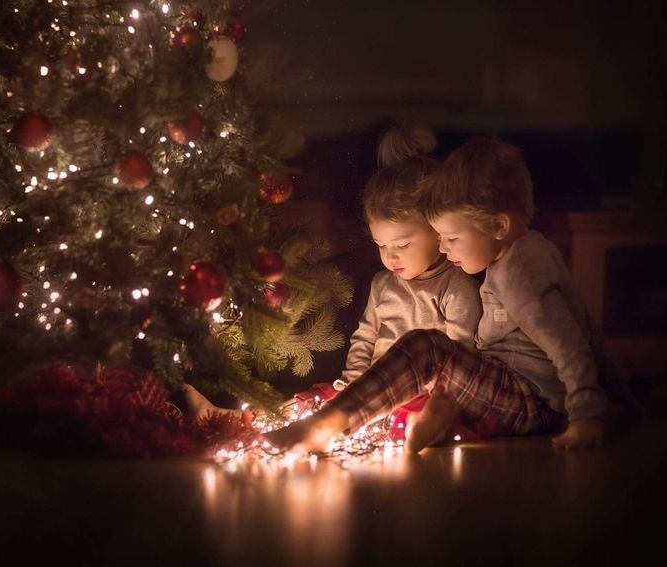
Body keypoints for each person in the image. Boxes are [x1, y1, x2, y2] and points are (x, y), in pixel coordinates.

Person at [263, 137, 618, 455]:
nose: (445, 249)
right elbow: (587, 330)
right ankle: (412, 419)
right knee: (429, 354)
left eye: (451, 238)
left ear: (498, 226)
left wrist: (588, 415)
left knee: (429, 347)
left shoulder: (522, 272)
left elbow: (569, 343)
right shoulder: (514, 259)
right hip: (511, 391)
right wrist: (624, 403)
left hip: (535, 402)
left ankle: (331, 423)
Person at [183, 126, 483, 441]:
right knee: (312, 403)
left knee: (381, 423)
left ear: (438, 230)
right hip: (366, 394)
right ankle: (231, 421)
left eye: (402, 245)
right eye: (381, 245)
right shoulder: (384, 285)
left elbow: (460, 361)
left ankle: (298, 433)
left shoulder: (456, 288)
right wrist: (353, 384)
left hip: (419, 400)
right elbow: (365, 338)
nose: (391, 256)